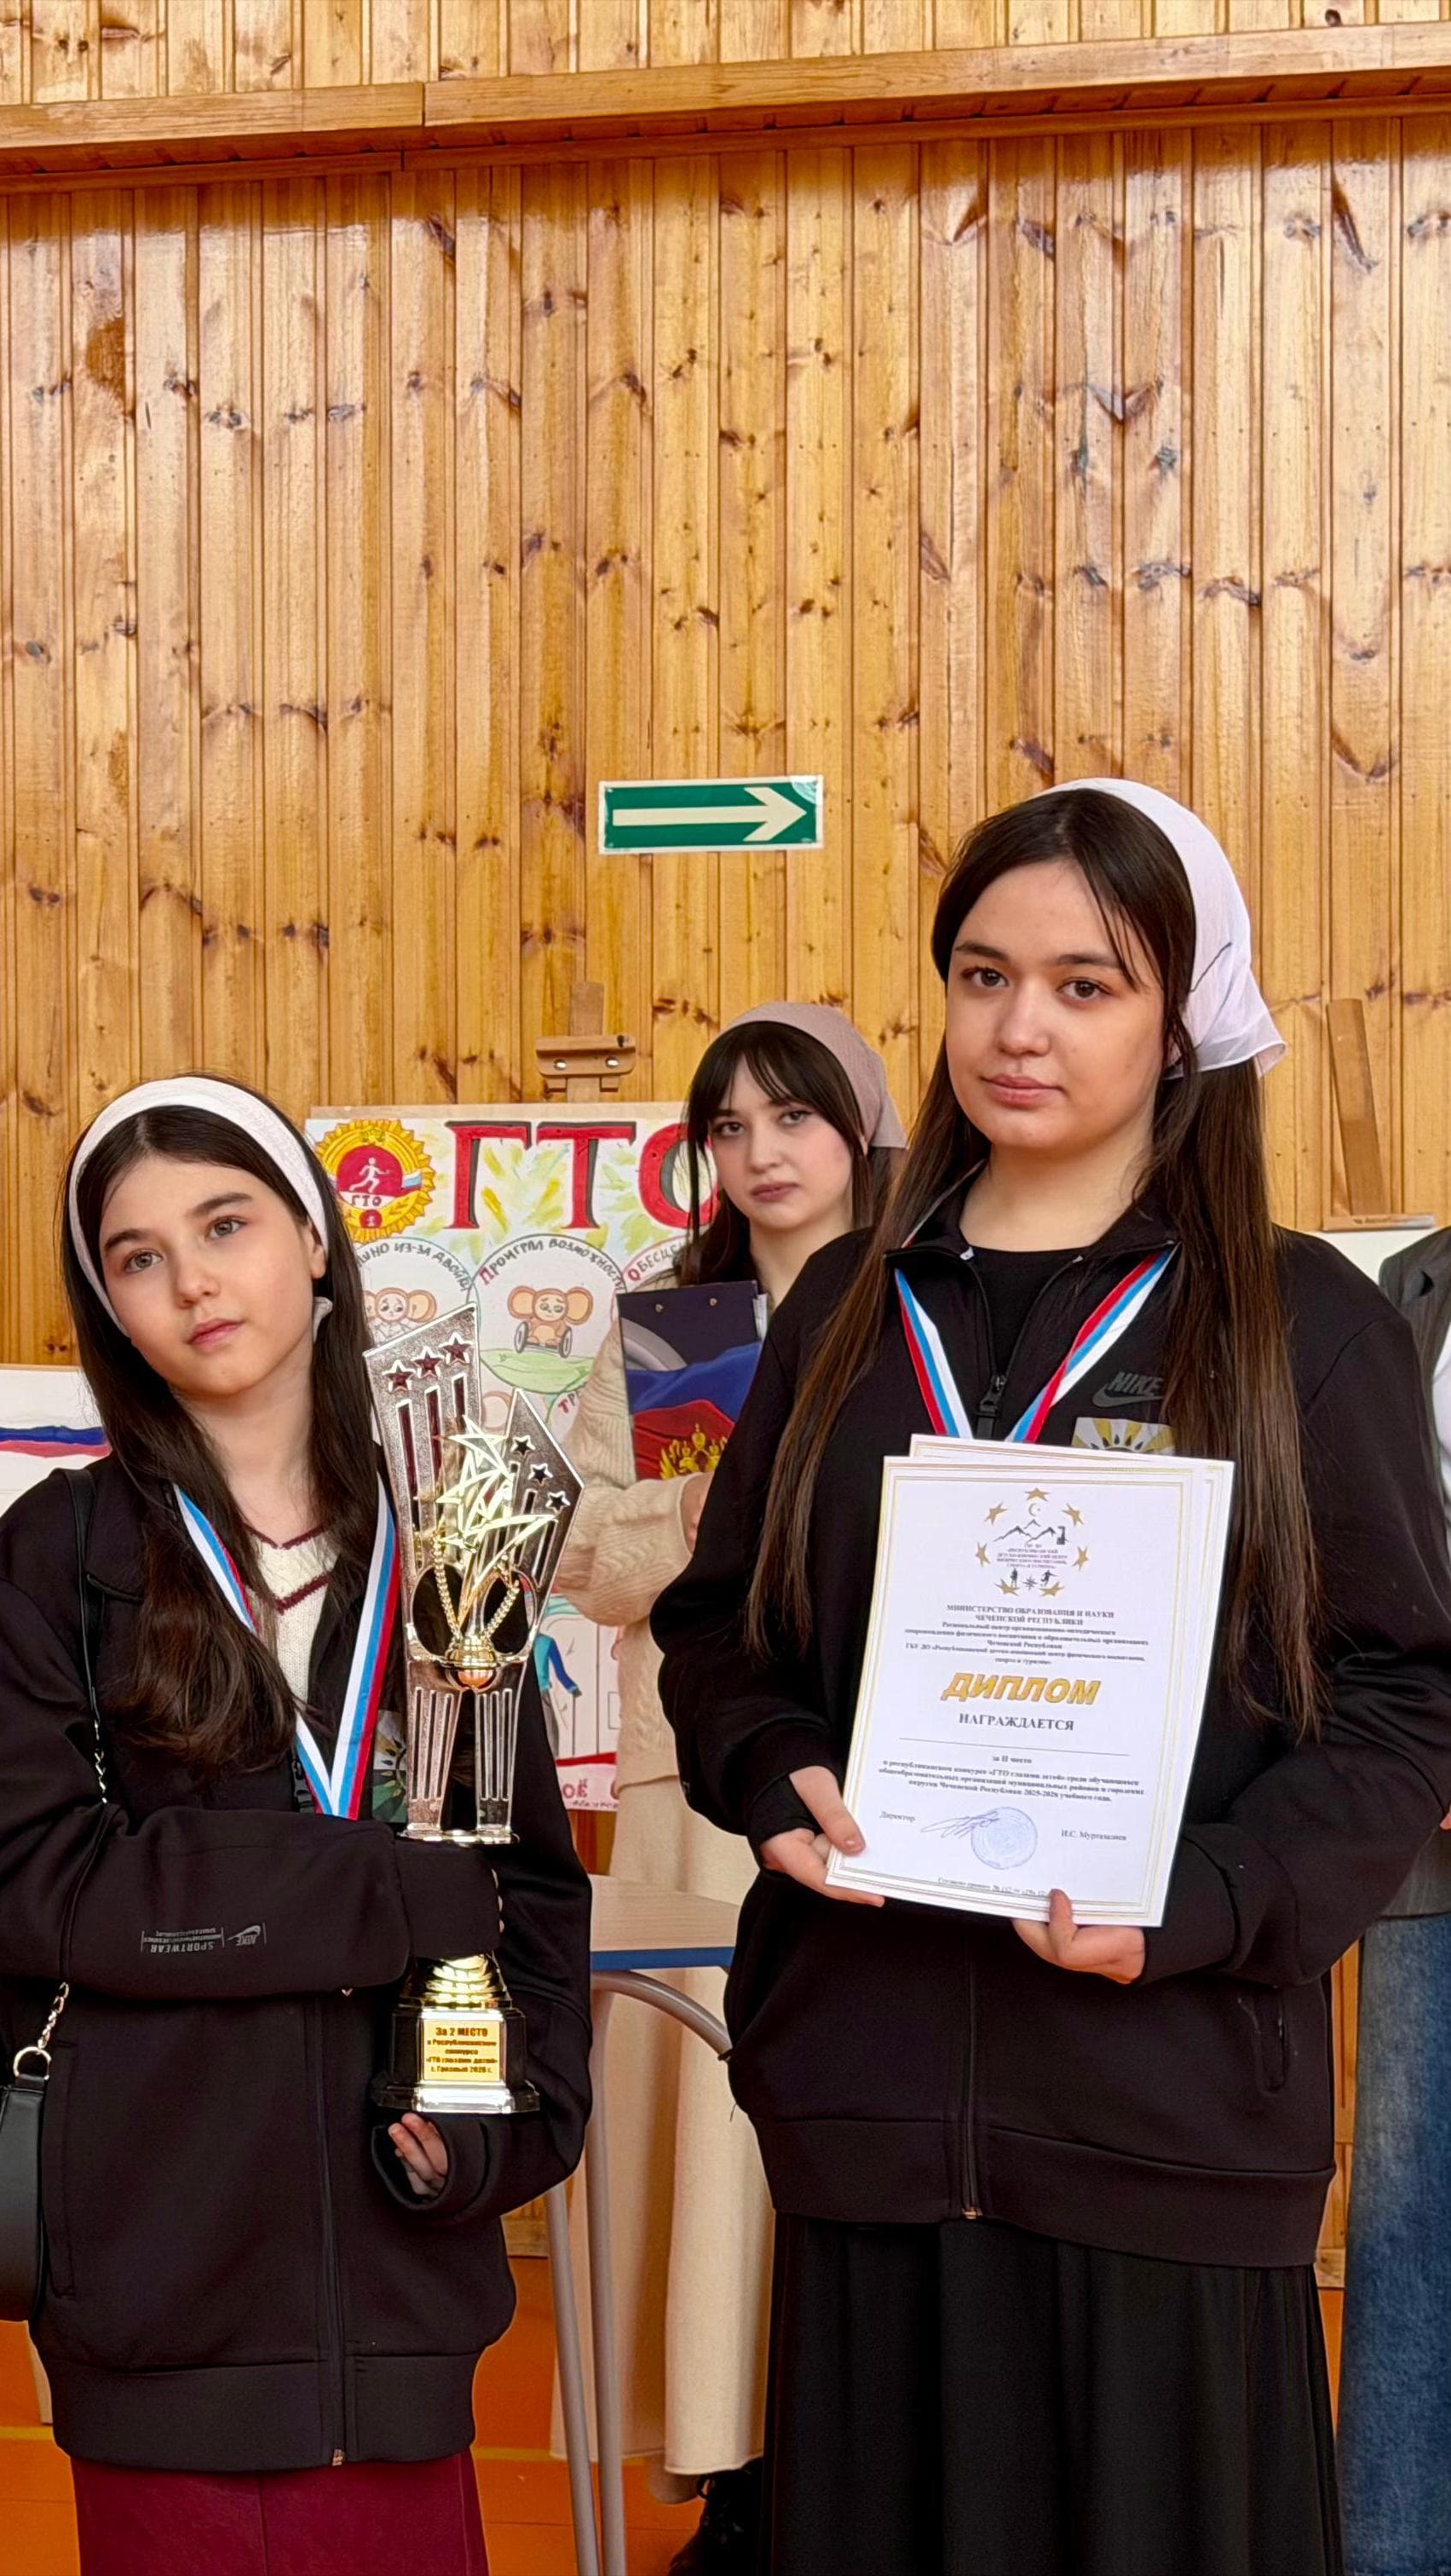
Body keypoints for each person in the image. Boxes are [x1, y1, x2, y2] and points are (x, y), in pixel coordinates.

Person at [651, 778, 1451, 2576]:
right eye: (985, 975)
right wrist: (771, 1774)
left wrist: (1200, 1900)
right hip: (867, 2113)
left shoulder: (1300, 1326)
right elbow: (720, 1634)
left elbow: (1405, 1702)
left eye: (1087, 985)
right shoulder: (844, 1309)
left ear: (1180, 1021)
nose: (1021, 1027)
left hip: (1164, 2121)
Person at [0, 1075, 591, 2576]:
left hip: (401, 2289)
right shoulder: (56, 1554)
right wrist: (369, 1891)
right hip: (160, 2278)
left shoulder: (457, 1537)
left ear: (312, 1242)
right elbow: (28, 1882)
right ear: (111, 1309)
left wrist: (500, 2131)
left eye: (224, 1225)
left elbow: (528, 1895)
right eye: (139, 1256)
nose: (192, 1281)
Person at [551, 1003, 901, 2573]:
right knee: (703, 2141)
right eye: (728, 1126)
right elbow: (579, 1556)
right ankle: (734, 2479)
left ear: (862, 1133)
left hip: (875, 1781)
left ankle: (856, 2471)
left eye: (794, 1117)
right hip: (691, 1781)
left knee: (841, 2123)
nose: (760, 1153)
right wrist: (705, 1509)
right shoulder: (672, 1333)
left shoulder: (915, 1308)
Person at [1338, 1223, 1451, 2576]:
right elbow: (1372, 1555)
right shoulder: (1404, 1285)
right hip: (1422, 1841)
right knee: (1409, 2226)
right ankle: (1391, 2550)